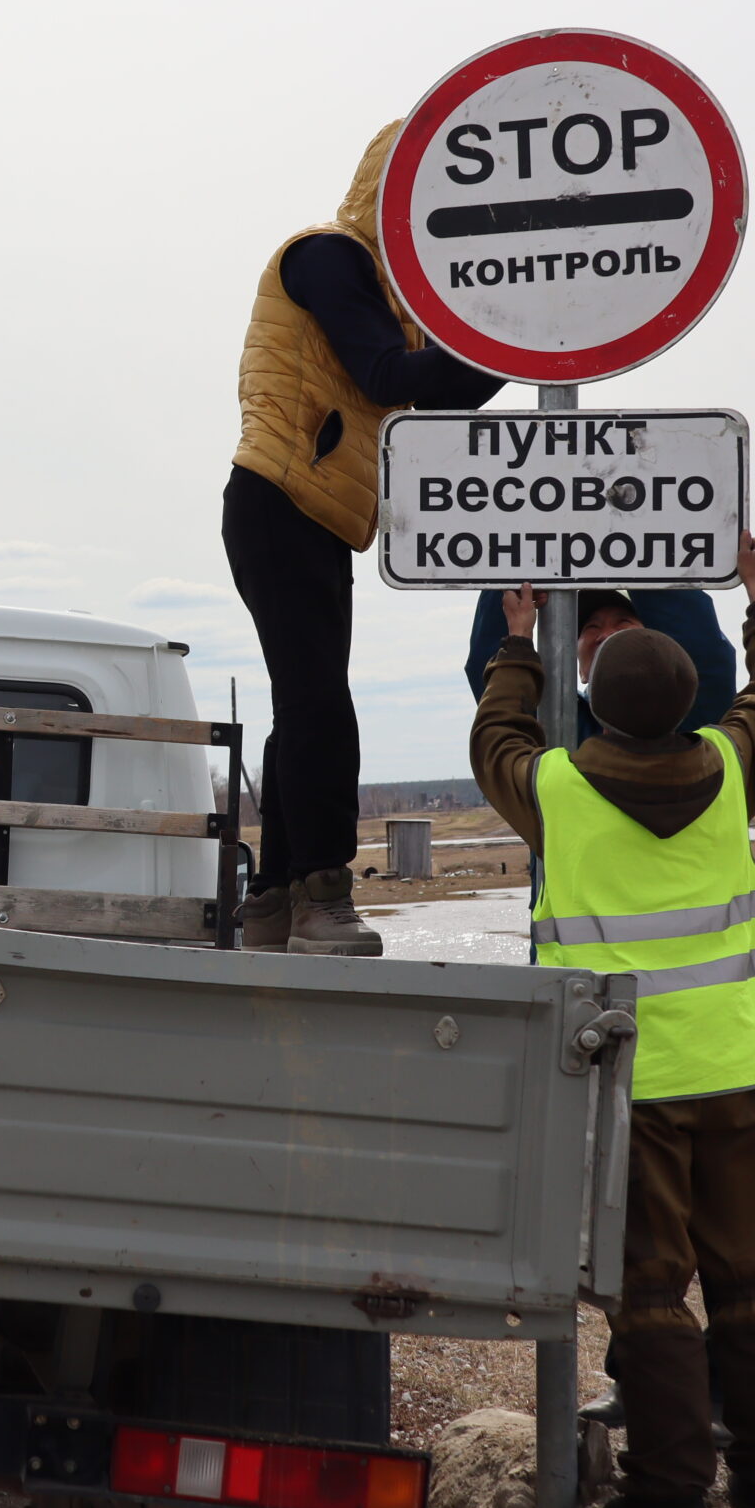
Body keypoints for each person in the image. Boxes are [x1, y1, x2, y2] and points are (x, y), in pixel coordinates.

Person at [469, 536, 755, 1508]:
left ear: (597, 705)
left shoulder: (557, 795)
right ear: (686, 700)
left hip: (632, 1087)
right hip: (738, 1070)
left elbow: (495, 735)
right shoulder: (731, 766)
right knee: (754, 1280)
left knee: (651, 1292)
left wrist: (518, 639)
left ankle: (667, 1495)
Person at [226, 121, 505, 953]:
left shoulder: (389, 299)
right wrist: (504, 343)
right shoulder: (329, 256)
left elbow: (436, 393)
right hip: (279, 497)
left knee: (301, 705)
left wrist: (515, 342)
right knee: (320, 707)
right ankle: (323, 896)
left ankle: (272, 898)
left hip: (314, 515)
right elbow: (387, 377)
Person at [463, 589, 737, 736]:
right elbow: (494, 683)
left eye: (624, 622)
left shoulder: (695, 722)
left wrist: (639, 550)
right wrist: (510, 574)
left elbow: (707, 658)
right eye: (591, 626)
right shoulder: (547, 729)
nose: (605, 635)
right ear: (581, 670)